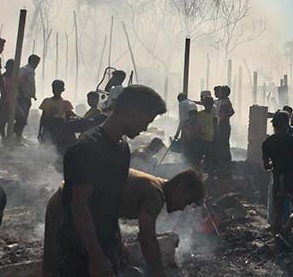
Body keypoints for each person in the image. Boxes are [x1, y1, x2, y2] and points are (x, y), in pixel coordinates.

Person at [59, 85, 166, 276]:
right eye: (147, 120)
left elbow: (111, 202)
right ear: (134, 113)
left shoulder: (122, 147)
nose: (145, 128)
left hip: (105, 246)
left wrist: (117, 240)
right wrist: (95, 256)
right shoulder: (88, 147)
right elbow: (79, 205)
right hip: (80, 251)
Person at [43, 168, 203, 277]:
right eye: (187, 201)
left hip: (65, 200)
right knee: (65, 265)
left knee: (54, 263)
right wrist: (159, 273)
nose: (183, 208)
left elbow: (111, 211)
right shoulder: (155, 194)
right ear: (181, 189)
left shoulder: (154, 185)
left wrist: (119, 242)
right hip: (69, 206)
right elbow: (147, 238)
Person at [262, 110, 293, 236]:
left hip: (277, 179)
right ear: (286, 124)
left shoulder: (267, 143)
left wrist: (275, 165)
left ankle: (277, 238)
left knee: (277, 213)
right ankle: (285, 231)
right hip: (292, 179)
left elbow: (266, 166)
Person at [39, 80, 77, 155]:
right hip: (47, 127)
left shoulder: (66, 103)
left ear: (62, 90)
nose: (56, 90)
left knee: (57, 149)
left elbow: (70, 119)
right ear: (52, 88)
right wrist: (40, 131)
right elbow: (43, 117)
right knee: (45, 147)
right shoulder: (46, 101)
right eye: (54, 88)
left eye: (58, 88)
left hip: (59, 128)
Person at [188, 91, 217, 174]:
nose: (209, 106)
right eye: (207, 104)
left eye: (210, 104)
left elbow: (215, 128)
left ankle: (204, 173)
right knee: (198, 158)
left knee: (207, 158)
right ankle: (197, 173)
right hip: (202, 139)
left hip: (208, 140)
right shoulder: (200, 115)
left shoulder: (212, 115)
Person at [15, 54, 40, 144]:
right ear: (33, 62)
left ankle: (17, 136)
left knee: (19, 118)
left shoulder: (22, 69)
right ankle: (17, 138)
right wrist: (33, 94)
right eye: (36, 63)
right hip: (25, 96)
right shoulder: (30, 71)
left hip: (19, 96)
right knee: (22, 118)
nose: (37, 65)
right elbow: (30, 84)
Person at [215, 86, 235, 175]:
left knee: (223, 145)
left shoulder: (226, 103)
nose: (218, 93)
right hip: (223, 126)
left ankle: (225, 164)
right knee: (222, 145)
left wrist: (218, 124)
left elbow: (224, 115)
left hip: (223, 126)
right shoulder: (222, 101)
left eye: (220, 91)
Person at [0, 59, 18, 143]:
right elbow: (1, 89)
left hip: (13, 102)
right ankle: (3, 139)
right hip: (4, 101)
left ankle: (9, 137)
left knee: (16, 119)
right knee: (3, 121)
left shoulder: (15, 77)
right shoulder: (3, 77)